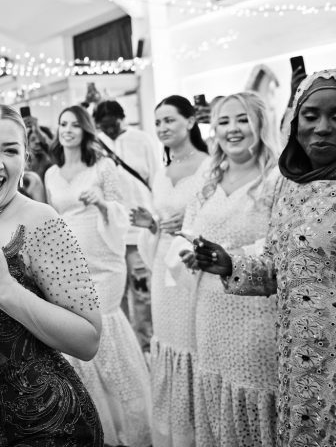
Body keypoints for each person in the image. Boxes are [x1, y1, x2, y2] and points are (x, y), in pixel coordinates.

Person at [191, 70, 336, 447]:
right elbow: (279, 268)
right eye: (310, 116)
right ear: (295, 122)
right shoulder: (291, 183)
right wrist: (231, 265)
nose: (322, 127)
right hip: (300, 359)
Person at [0, 104, 103, 445]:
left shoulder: (41, 221)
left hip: (53, 424)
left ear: (26, 157)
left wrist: (5, 287)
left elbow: (88, 339)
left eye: (10, 150)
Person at [45, 105, 151, 446]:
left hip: (104, 259)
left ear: (86, 130)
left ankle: (128, 425)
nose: (68, 130)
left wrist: (103, 203)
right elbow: (53, 219)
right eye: (63, 124)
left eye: (75, 124)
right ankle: (88, 420)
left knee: (103, 325)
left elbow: (123, 212)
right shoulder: (51, 173)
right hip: (68, 261)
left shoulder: (103, 166)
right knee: (76, 328)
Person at [178, 92, 280, 446]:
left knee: (254, 390)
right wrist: (191, 252)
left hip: (255, 310)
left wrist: (231, 258)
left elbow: (279, 246)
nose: (232, 129)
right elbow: (189, 229)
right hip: (208, 304)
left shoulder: (277, 179)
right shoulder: (209, 174)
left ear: (260, 125)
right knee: (217, 384)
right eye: (223, 121)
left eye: (242, 120)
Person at [130, 94, 209, 447]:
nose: (162, 127)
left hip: (196, 267)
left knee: (196, 342)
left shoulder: (210, 166)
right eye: (158, 121)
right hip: (163, 265)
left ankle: (202, 426)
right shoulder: (160, 175)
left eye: (170, 120)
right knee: (170, 342)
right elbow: (159, 224)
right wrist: (152, 225)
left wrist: (190, 223)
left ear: (190, 121)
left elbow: (219, 216)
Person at [93, 99, 159, 352]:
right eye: (103, 126)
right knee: (113, 294)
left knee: (142, 292)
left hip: (138, 230)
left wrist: (153, 219)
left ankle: (145, 345)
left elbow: (154, 176)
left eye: (113, 124)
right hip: (110, 232)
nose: (109, 130)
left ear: (123, 118)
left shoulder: (141, 140)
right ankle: (120, 349)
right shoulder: (96, 144)